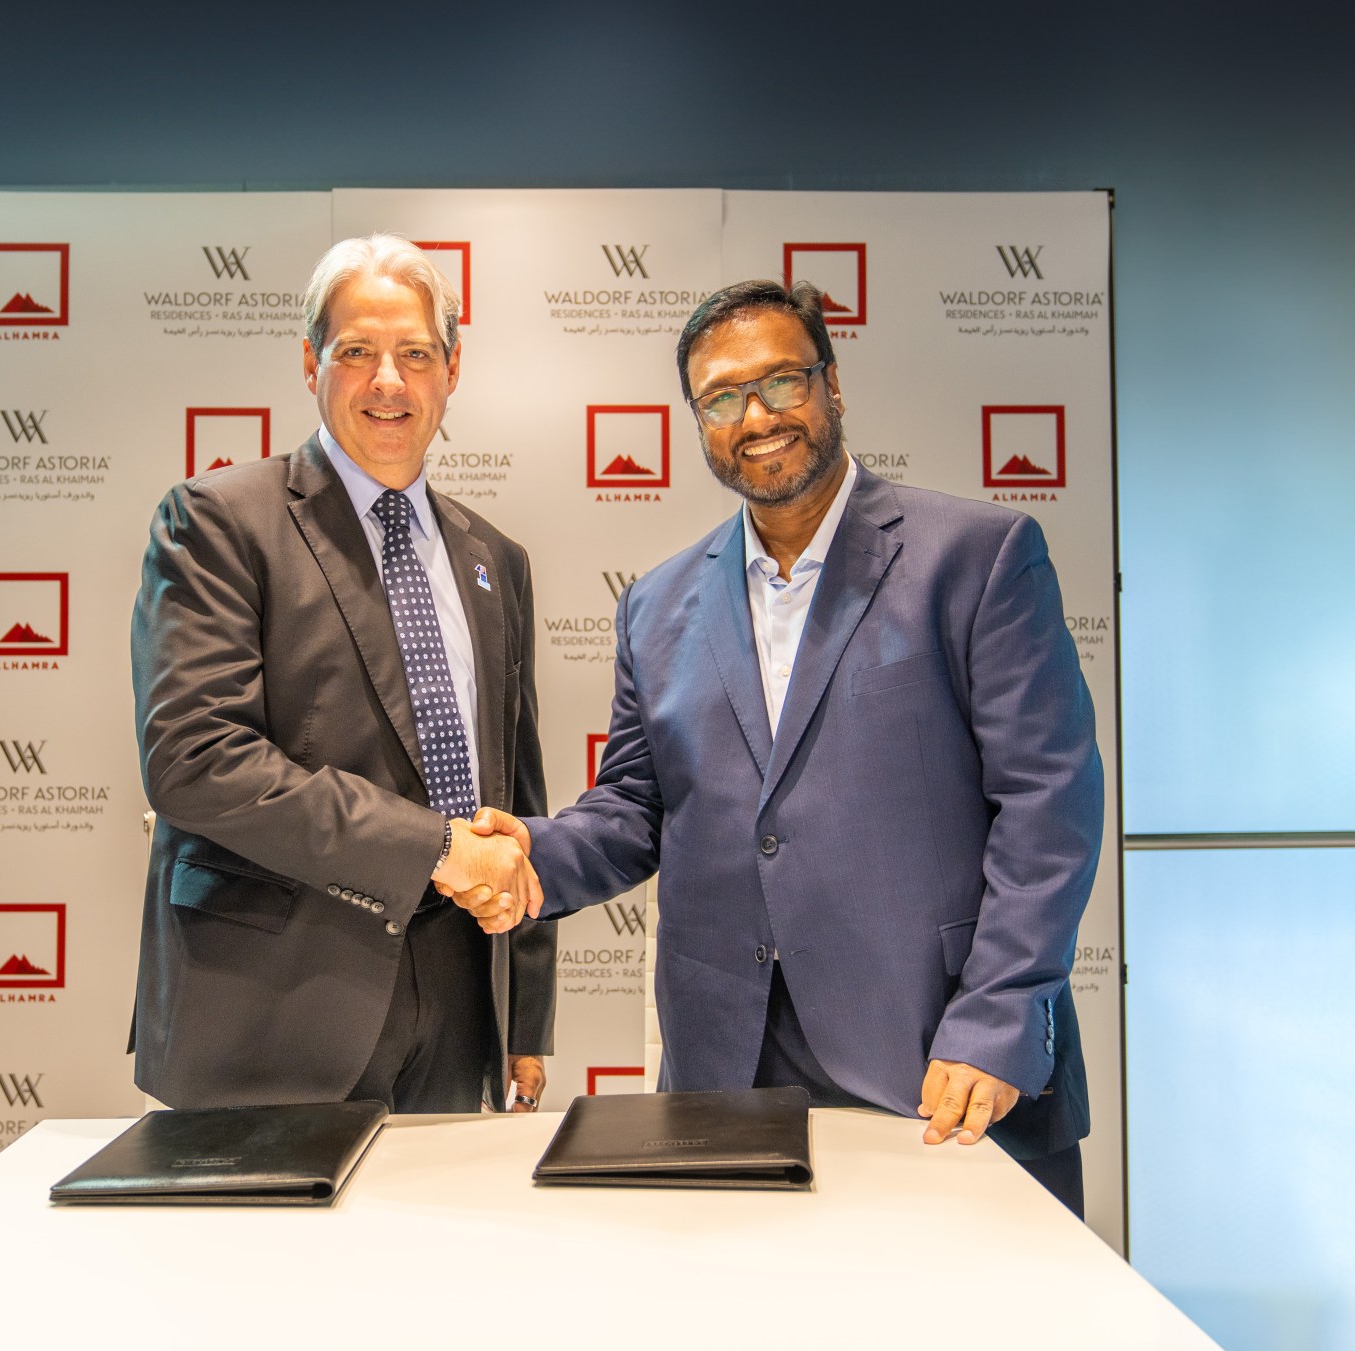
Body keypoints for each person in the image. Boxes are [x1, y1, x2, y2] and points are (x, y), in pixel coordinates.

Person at [452, 279, 1103, 1212]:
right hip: (731, 1071)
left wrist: (997, 1017)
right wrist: (529, 854)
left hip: (942, 1058)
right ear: (698, 422)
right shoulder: (658, 602)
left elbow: (1050, 804)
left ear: (832, 387)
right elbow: (633, 809)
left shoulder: (980, 556)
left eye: (782, 383)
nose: (755, 416)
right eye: (720, 398)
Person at [129, 235, 554, 1115]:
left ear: (452, 369)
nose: (387, 382)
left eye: (415, 354)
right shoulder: (218, 523)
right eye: (356, 352)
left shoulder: (495, 559)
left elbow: (517, 794)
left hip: (459, 1014)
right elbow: (195, 760)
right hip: (268, 1014)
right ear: (310, 362)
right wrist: (434, 847)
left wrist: (528, 1014)